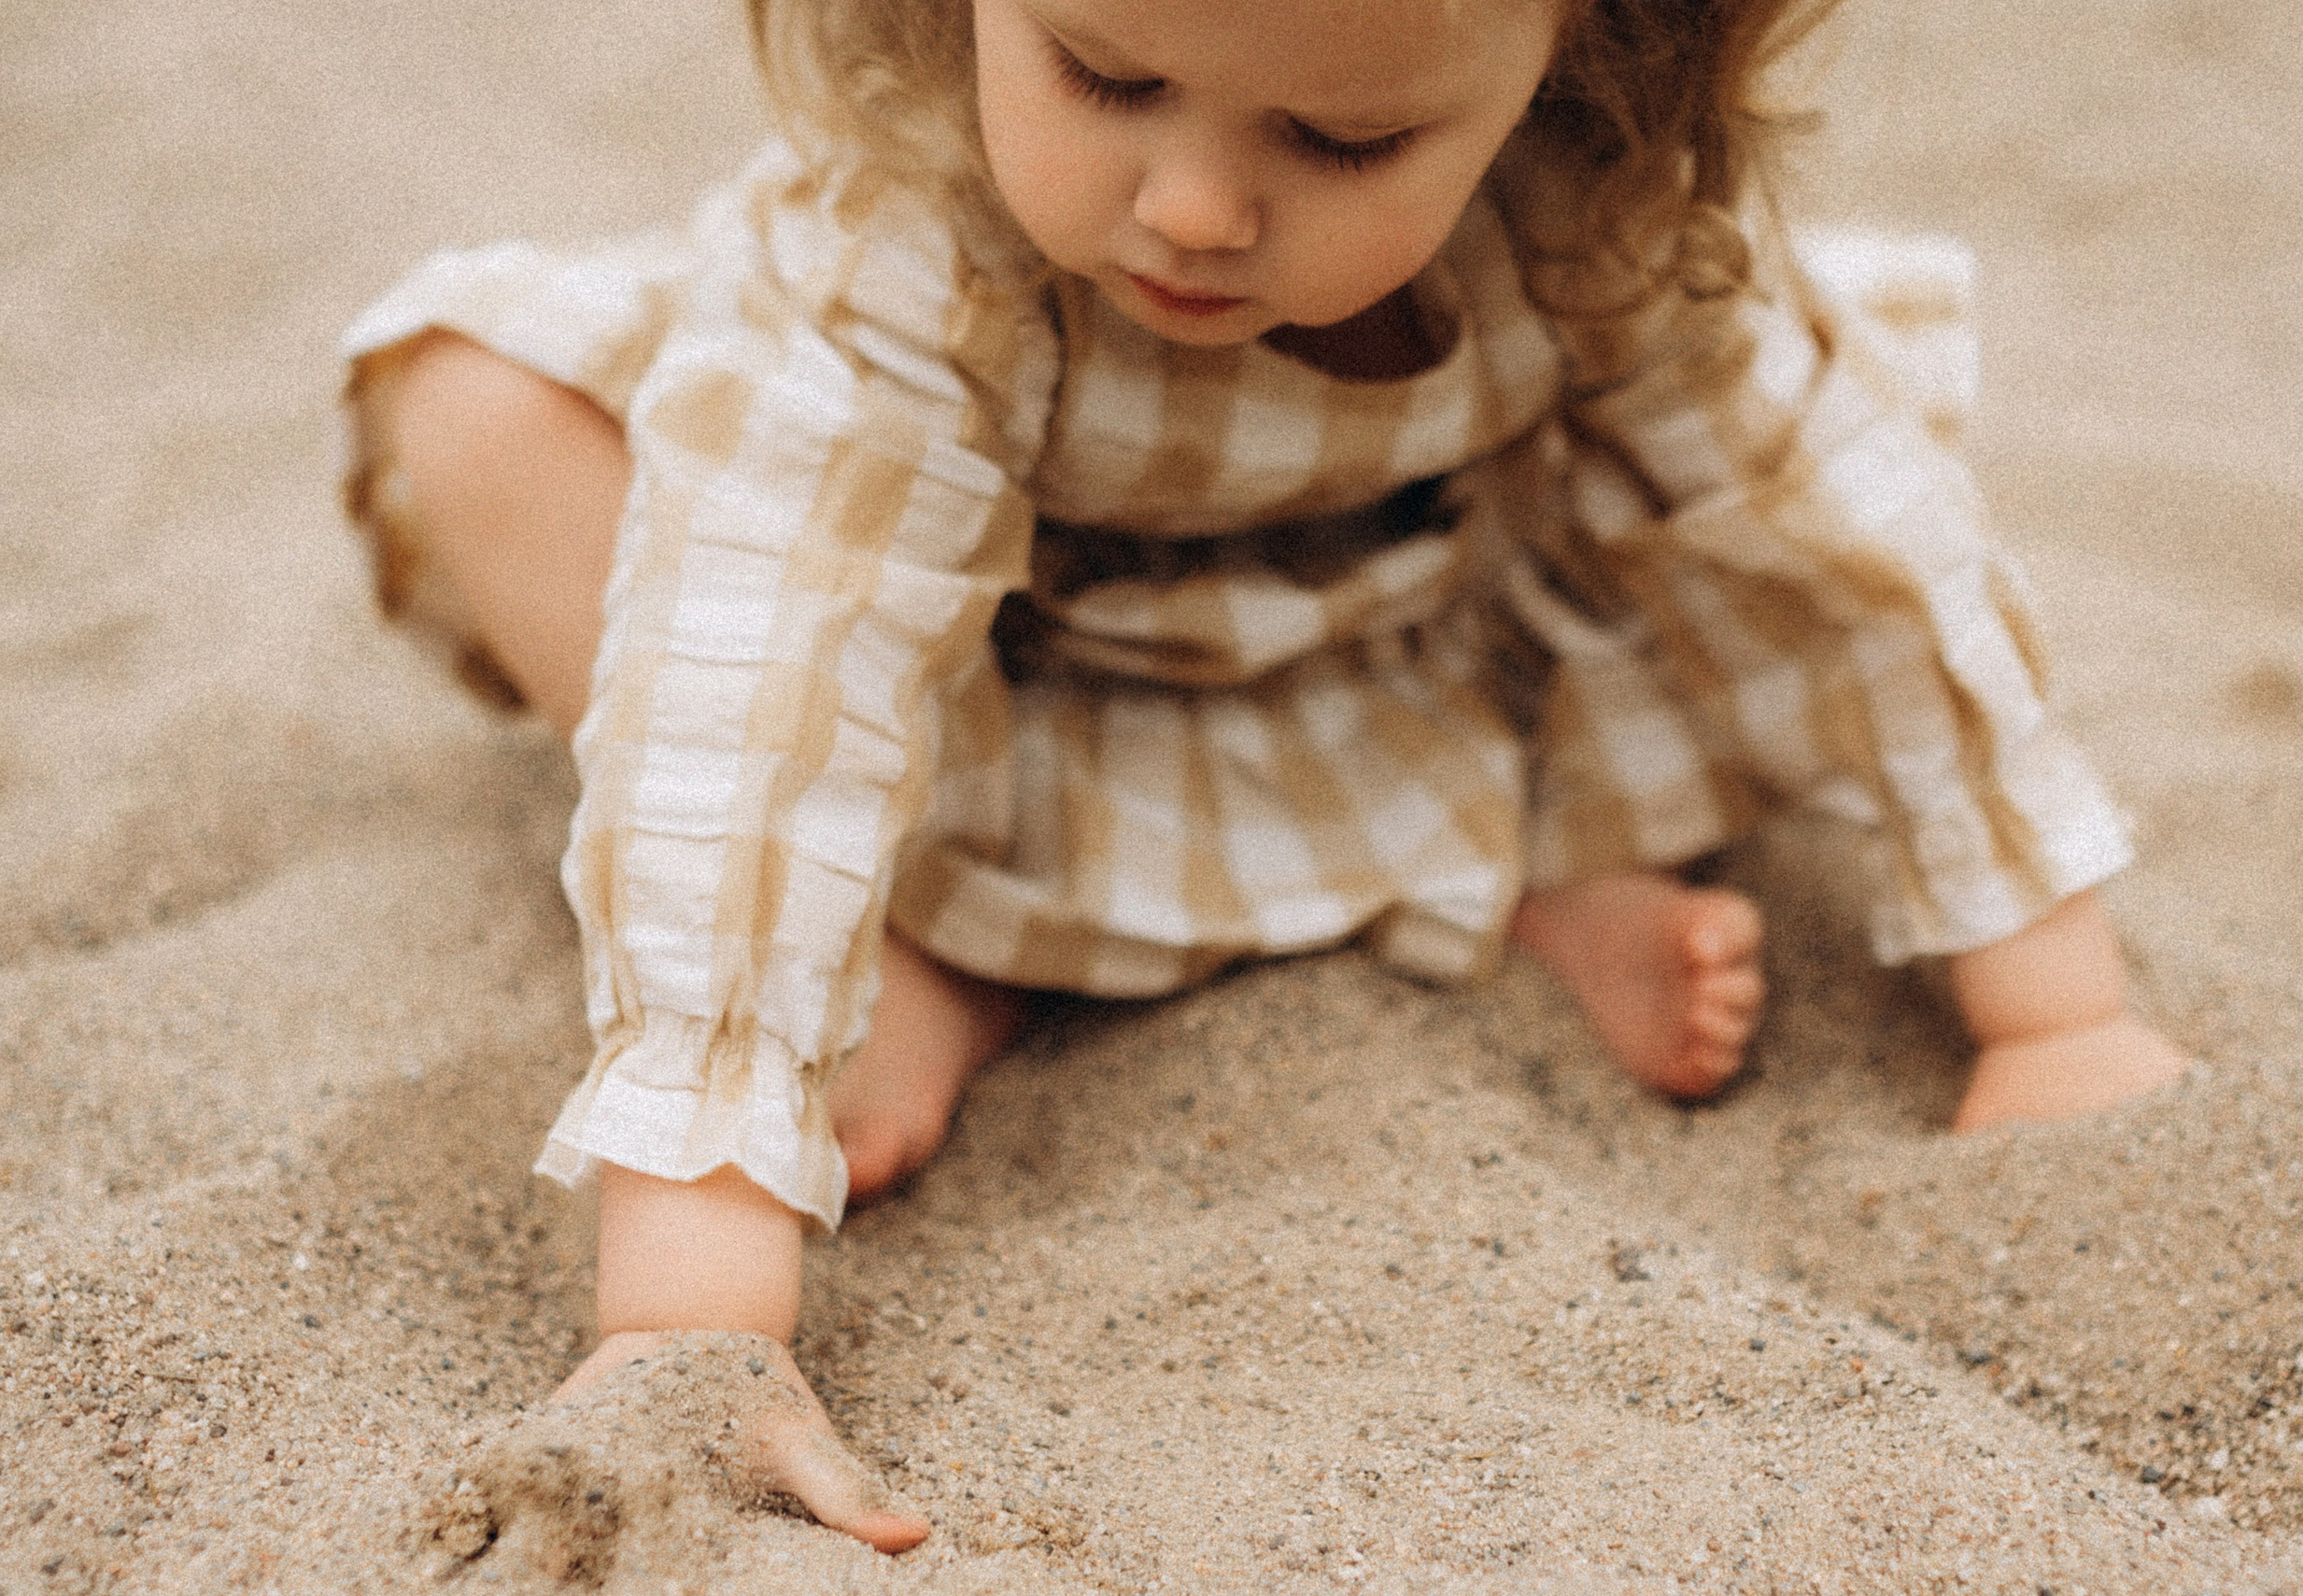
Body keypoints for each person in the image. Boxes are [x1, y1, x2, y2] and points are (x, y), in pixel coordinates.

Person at [340, 0, 2190, 1552]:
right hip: (977, 711)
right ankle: (931, 946)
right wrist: (691, 1316)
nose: (1198, 206)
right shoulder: (905, 251)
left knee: (1728, 581)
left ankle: (1485, 890)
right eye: (1102, 76)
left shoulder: (1588, 220)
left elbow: (1841, 558)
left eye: (1343, 137)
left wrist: (2050, 1009)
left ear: (1572, 64)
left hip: (1395, 663)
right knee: (477, 404)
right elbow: (753, 698)